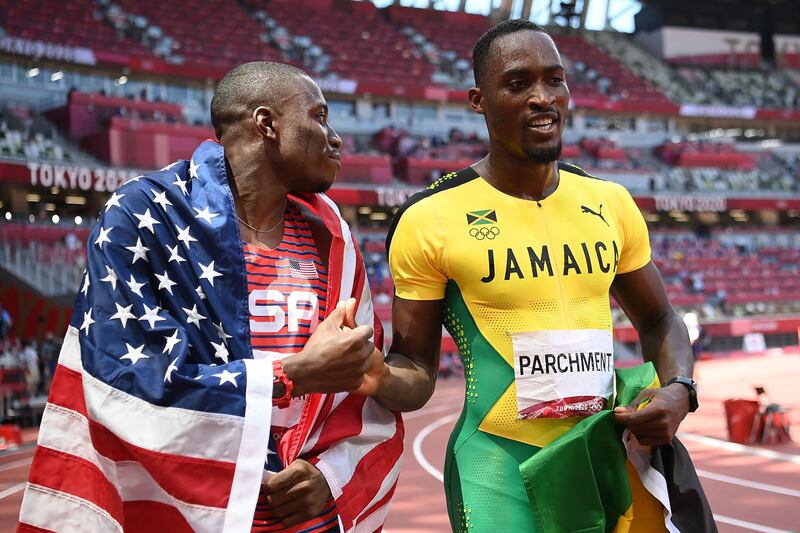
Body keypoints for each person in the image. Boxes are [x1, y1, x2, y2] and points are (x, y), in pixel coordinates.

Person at [19, 62, 402, 533]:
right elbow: (123, 383)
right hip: (182, 513)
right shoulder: (143, 216)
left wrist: (331, 477)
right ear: (266, 124)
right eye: (319, 117)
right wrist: (294, 374)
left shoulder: (332, 240)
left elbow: (363, 402)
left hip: (302, 518)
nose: (335, 137)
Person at [366, 20, 714, 532]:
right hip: (498, 465)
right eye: (517, 83)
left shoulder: (610, 202)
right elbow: (415, 369)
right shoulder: (428, 218)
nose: (542, 98)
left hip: (605, 453)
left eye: (555, 80)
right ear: (478, 100)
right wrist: (372, 375)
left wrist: (680, 389)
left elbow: (661, 319)